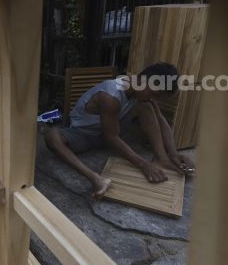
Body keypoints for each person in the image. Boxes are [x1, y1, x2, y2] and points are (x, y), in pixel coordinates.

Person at [44, 62, 195, 199]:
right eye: (155, 94)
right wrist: (144, 165)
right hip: (84, 135)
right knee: (52, 136)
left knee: (148, 107)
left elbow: (161, 121)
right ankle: (96, 179)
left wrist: (173, 153)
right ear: (143, 80)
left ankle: (161, 158)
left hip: (109, 131)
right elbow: (112, 137)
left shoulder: (142, 93)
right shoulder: (111, 96)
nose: (154, 99)